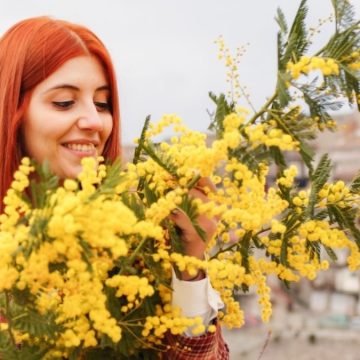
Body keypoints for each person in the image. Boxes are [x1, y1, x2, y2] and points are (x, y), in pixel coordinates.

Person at [0, 17, 229, 359]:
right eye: (64, 102)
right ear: (12, 113)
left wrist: (190, 263)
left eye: (103, 103)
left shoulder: (135, 245)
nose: (95, 121)